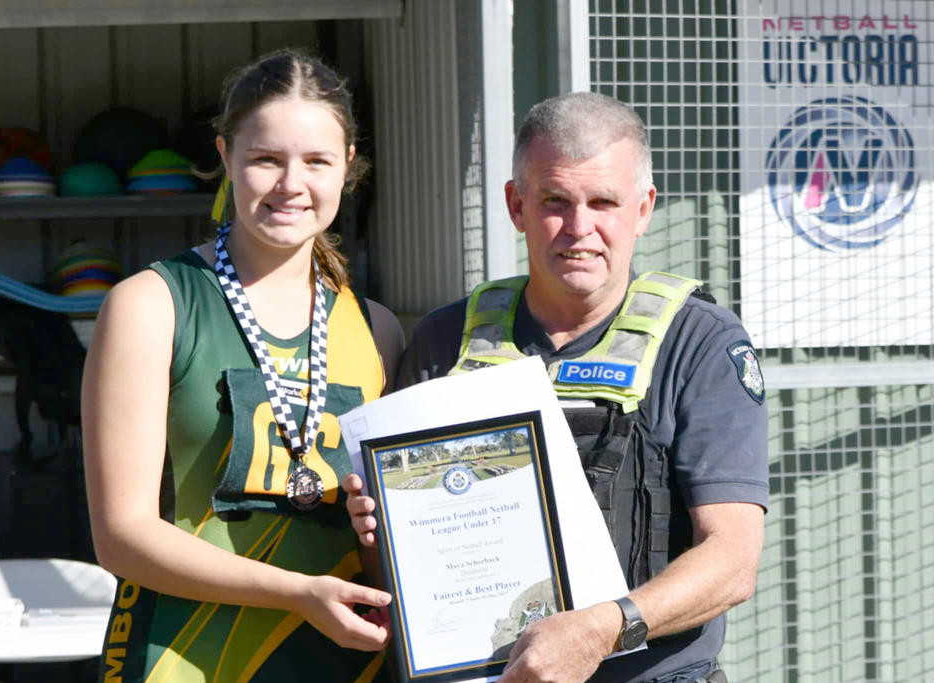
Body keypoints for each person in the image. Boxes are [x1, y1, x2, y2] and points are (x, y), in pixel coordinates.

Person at [344, 92, 768, 683]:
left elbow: (731, 561)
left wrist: (599, 629)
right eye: (555, 201)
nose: (579, 227)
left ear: (644, 209)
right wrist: (378, 530)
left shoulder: (699, 341)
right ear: (516, 205)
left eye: (603, 202)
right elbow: (400, 574)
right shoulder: (447, 339)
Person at [82, 49, 403, 683]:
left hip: (343, 664)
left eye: (316, 161)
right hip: (183, 658)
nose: (291, 184)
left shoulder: (378, 328)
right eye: (266, 160)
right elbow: (121, 535)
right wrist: (294, 594)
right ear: (226, 158)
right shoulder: (152, 305)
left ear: (348, 169)